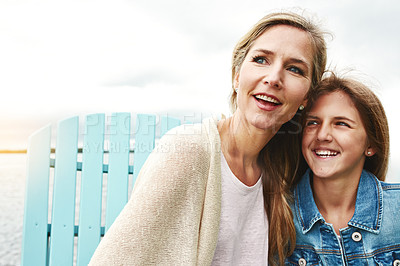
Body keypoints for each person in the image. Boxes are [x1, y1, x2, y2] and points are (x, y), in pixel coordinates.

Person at [89, 11, 327, 266]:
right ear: (237, 76)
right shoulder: (187, 150)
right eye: (261, 59)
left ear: (306, 98)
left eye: (294, 69)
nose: (273, 78)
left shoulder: (281, 174)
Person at [286, 74, 400, 265]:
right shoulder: (278, 214)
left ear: (371, 144)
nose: (322, 135)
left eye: (341, 123)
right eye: (312, 122)